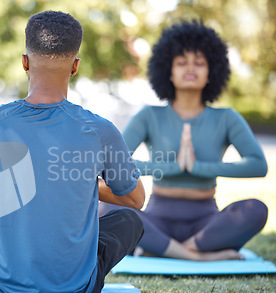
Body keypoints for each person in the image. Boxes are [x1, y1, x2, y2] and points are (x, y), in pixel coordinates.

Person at [0, 11, 145, 293]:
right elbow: (136, 199)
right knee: (129, 220)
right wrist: (78, 179)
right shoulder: (101, 130)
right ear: (75, 67)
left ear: (24, 62)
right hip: (76, 286)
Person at [99, 20, 268, 261]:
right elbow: (113, 164)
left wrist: (198, 168)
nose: (191, 68)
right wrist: (173, 167)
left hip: (206, 225)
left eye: (199, 62)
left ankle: (166, 250)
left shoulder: (227, 118)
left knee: (256, 210)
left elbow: (258, 165)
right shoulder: (149, 116)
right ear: (168, 70)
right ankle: (197, 255)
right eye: (181, 62)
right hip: (155, 220)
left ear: (212, 71)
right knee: (103, 206)